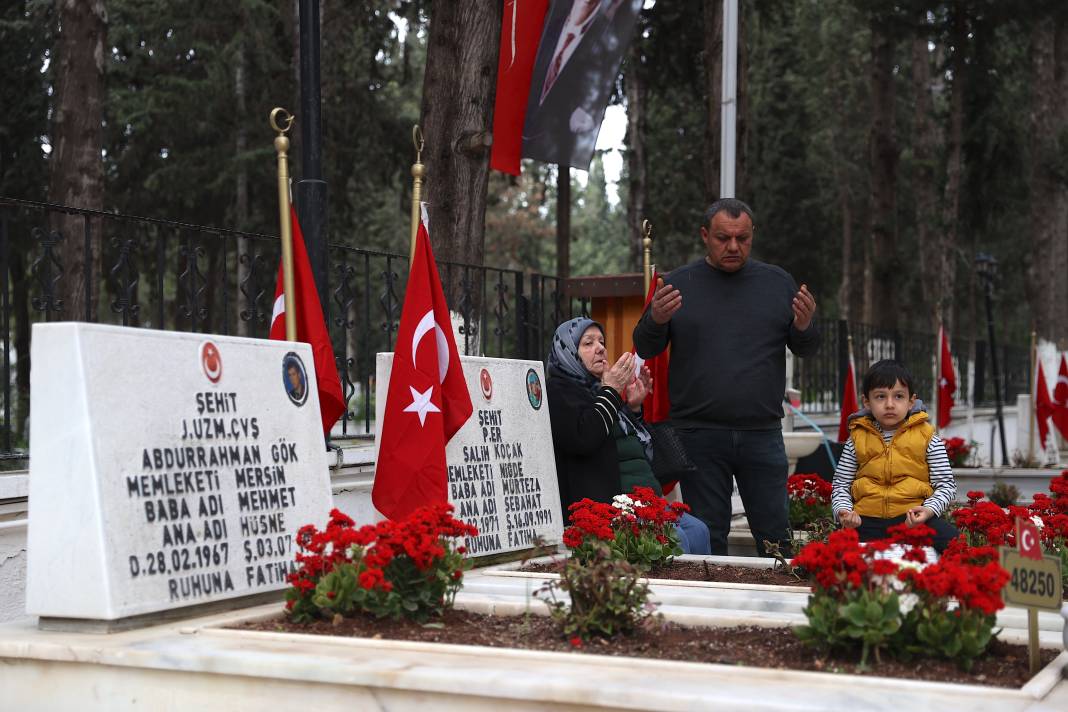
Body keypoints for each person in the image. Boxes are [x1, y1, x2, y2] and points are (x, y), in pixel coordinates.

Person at [632, 198, 820, 556]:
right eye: (723, 238)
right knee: (708, 537)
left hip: (762, 434)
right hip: (699, 435)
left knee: (776, 539)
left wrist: (805, 326)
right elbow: (646, 346)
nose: (733, 246)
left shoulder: (777, 283)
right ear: (705, 235)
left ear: (752, 236)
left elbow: (806, 347)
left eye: (742, 238)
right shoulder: (678, 284)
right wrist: (655, 318)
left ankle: (776, 609)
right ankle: (711, 608)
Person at [547, 317, 711, 555]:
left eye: (601, 341)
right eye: (588, 343)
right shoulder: (559, 390)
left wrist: (633, 408)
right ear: (567, 351)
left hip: (646, 501)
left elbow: (632, 449)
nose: (600, 348)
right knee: (677, 539)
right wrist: (612, 391)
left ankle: (695, 593)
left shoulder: (599, 390)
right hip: (610, 505)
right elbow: (584, 438)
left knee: (699, 531)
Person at [832, 359, 959, 552]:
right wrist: (844, 512)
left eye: (898, 396)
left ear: (911, 401)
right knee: (832, 551)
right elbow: (841, 483)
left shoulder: (927, 436)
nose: (890, 404)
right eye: (880, 397)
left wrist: (928, 510)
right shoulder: (857, 437)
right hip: (865, 520)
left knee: (952, 541)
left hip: (911, 520)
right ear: (867, 401)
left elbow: (946, 484)